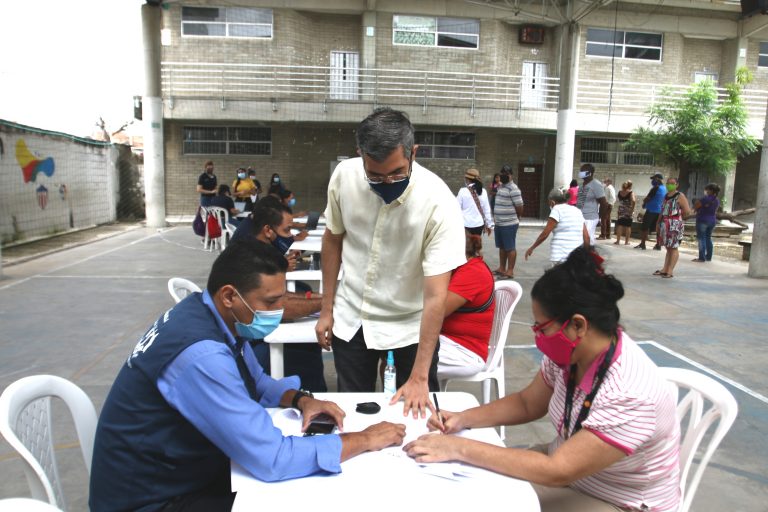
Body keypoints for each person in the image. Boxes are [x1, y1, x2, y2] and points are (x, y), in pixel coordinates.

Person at [89, 239, 405, 511]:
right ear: (229, 296)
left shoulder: (210, 316)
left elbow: (256, 381)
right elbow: (273, 458)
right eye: (270, 301)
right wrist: (363, 439)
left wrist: (301, 399)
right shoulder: (202, 355)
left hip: (180, 472)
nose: (280, 309)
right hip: (153, 500)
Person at [403, 246, 681, 512]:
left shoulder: (629, 392)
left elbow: (557, 469)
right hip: (573, 475)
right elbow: (527, 403)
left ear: (578, 325)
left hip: (619, 501)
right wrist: (463, 419)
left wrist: (459, 447)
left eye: (541, 327)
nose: (536, 336)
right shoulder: (571, 354)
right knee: (472, 489)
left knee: (487, 495)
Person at [316, 107, 465, 417]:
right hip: (353, 317)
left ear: (413, 153)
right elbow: (332, 239)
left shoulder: (438, 202)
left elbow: (436, 295)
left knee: (415, 417)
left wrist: (421, 376)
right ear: (360, 155)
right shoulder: (345, 177)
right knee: (352, 413)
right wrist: (326, 309)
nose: (387, 182)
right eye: (376, 176)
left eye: (397, 173)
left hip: (409, 325)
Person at [437, 231, 496, 381]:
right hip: (450, 342)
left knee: (403, 354)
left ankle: (402, 401)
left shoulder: (472, 271)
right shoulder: (463, 267)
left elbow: (436, 311)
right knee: (399, 347)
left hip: (466, 352)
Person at [525, 188, 589, 265]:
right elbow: (586, 237)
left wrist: (532, 247)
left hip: (560, 255)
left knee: (560, 276)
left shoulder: (556, 210)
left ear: (552, 202)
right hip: (577, 256)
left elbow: (545, 234)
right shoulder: (577, 211)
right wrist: (586, 254)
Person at [654, 177, 692, 278]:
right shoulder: (666, 196)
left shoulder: (680, 196)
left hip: (674, 224)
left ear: (677, 185)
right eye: (668, 183)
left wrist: (679, 218)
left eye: (672, 183)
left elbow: (687, 211)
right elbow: (662, 210)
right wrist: (658, 223)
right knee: (668, 247)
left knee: (673, 247)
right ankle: (665, 269)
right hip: (664, 223)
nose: (669, 185)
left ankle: (670, 271)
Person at [493, 165, 524, 280]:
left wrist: (517, 217)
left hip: (509, 224)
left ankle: (510, 271)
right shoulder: (501, 187)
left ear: (511, 175)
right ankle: (502, 268)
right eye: (502, 173)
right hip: (499, 223)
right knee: (502, 247)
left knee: (510, 247)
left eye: (506, 174)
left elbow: (520, 206)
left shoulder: (514, 189)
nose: (503, 175)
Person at [575, 164, 608, 245]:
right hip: (580, 217)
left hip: (590, 218)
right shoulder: (581, 185)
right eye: (580, 171)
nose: (581, 173)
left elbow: (604, 203)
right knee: (580, 241)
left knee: (587, 241)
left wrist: (599, 218)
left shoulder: (596, 184)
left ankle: (590, 256)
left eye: (583, 171)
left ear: (590, 173)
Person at [457, 168, 494, 236]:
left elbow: (456, 209)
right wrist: (489, 225)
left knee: (467, 246)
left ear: (467, 179)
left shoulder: (462, 191)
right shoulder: (483, 191)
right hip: (479, 224)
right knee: (476, 245)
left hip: (465, 224)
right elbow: (487, 210)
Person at [635, 172, 667, 250]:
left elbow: (648, 198)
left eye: (653, 179)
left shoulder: (655, 188)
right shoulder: (665, 189)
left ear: (657, 179)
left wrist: (644, 202)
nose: (652, 181)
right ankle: (658, 245)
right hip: (660, 212)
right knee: (658, 228)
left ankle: (643, 244)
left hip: (651, 210)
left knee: (645, 227)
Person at [693, 183, 721, 262]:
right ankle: (708, 256)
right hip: (712, 221)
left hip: (702, 220)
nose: (706, 191)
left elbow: (696, 206)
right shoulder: (717, 200)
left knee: (701, 238)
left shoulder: (705, 199)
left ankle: (701, 257)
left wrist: (695, 209)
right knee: (708, 238)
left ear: (710, 190)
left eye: (707, 189)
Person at [614, 180, 636, 245]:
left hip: (621, 210)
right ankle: (626, 242)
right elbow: (634, 201)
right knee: (628, 226)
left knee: (620, 225)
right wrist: (632, 209)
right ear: (630, 186)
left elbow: (620, 201)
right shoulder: (631, 192)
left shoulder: (620, 192)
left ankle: (618, 241)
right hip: (628, 211)